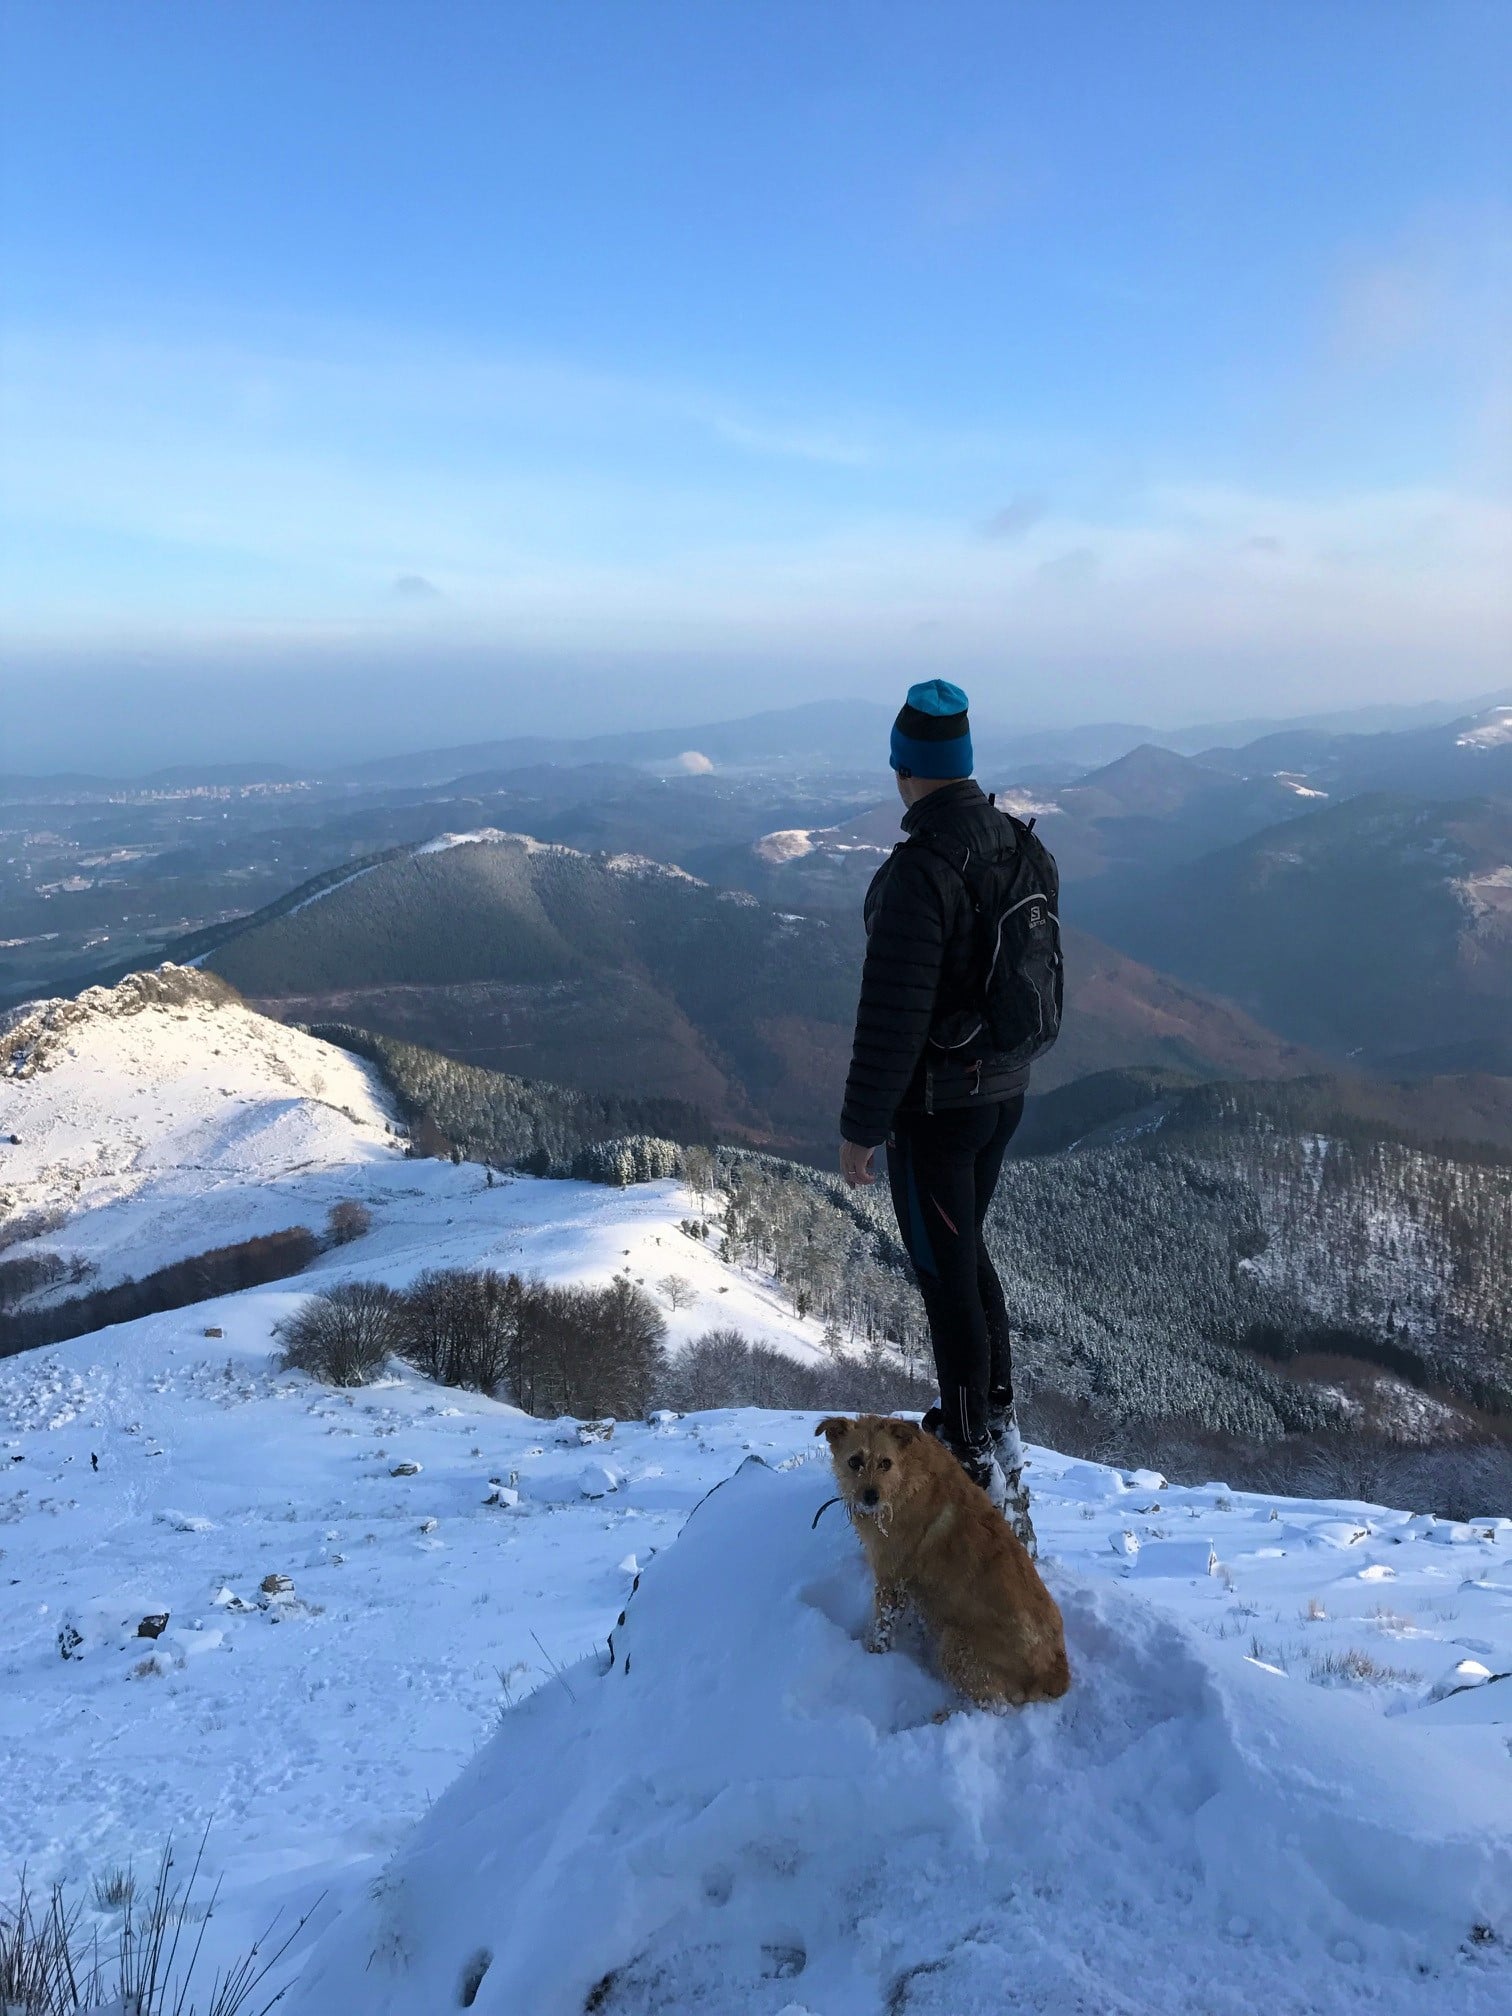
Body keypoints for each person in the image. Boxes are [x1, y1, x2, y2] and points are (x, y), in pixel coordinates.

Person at [838, 679, 1038, 1552]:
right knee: (967, 1256)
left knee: (941, 1273)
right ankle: (992, 1417)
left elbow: (892, 1016)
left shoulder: (920, 870)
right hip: (1005, 1093)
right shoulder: (1018, 846)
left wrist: (860, 1127)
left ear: (906, 766)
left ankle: (964, 1445)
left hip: (937, 1108)